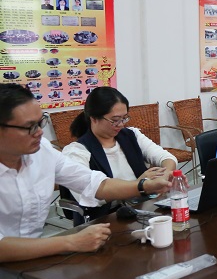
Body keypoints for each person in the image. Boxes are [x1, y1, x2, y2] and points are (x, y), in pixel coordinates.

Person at [0, 84, 172, 279]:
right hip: (8, 276)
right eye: (29, 127)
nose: (40, 132)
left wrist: (143, 186)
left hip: (27, 267)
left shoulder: (41, 152)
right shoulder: (74, 148)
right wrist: (70, 241)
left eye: (41, 122)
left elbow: (94, 183)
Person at [62, 87, 177, 225]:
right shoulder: (77, 152)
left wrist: (164, 175)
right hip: (101, 222)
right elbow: (92, 194)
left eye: (124, 118)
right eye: (115, 120)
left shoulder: (131, 135)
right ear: (94, 118)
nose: (121, 124)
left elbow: (166, 158)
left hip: (138, 212)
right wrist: (140, 184)